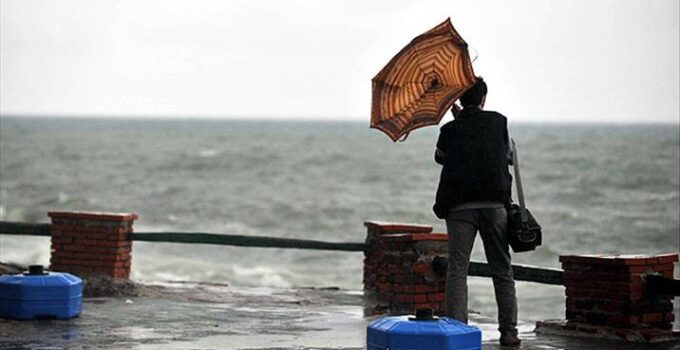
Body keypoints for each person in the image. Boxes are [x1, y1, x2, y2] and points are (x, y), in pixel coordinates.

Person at [433, 77, 520, 347]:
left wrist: (458, 123)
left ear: (459, 100)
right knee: (502, 270)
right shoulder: (498, 122)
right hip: (494, 206)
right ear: (483, 99)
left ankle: (458, 331)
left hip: (459, 208)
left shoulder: (450, 129)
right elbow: (506, 157)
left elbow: (440, 157)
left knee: (457, 270)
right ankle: (509, 332)